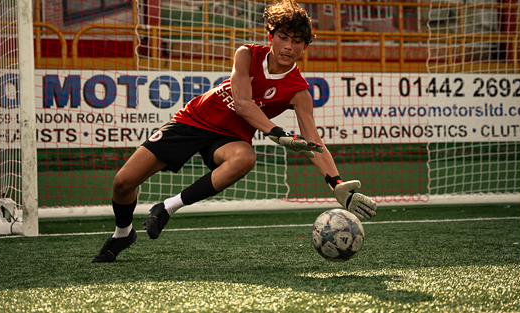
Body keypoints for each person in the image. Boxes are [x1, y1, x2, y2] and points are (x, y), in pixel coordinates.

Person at [92, 0, 378, 263]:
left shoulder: (299, 91)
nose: (288, 46)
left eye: (297, 41)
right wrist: (276, 132)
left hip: (230, 138)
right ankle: (123, 233)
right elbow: (243, 103)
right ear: (271, 36)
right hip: (194, 120)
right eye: (283, 37)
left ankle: (167, 207)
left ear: (305, 47)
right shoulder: (247, 54)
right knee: (123, 182)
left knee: (246, 158)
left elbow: (313, 141)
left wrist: (335, 183)